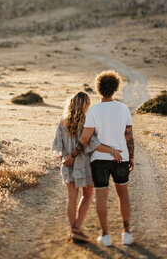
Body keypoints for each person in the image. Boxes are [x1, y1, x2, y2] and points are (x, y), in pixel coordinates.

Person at [63, 71, 135, 246]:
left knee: (101, 196)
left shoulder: (94, 110)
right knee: (123, 195)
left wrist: (72, 155)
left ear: (98, 88)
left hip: (99, 161)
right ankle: (126, 233)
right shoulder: (123, 108)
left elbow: (85, 139)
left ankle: (105, 236)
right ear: (116, 88)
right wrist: (131, 157)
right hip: (122, 158)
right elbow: (129, 137)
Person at [52, 91, 121, 243]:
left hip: (67, 163)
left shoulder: (62, 121)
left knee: (71, 197)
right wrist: (113, 151)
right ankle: (77, 228)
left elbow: (58, 145)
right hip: (84, 165)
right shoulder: (87, 122)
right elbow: (94, 144)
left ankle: (74, 230)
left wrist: (64, 159)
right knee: (87, 196)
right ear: (85, 106)